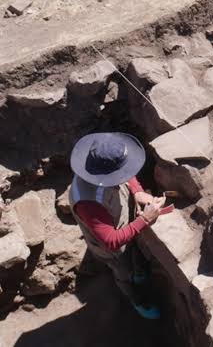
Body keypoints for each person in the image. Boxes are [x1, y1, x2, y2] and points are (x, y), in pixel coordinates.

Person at [69, 132, 165, 319]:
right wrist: (144, 220)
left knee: (136, 252)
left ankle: (139, 273)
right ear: (106, 174)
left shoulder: (100, 166)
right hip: (112, 249)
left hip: (125, 222)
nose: (125, 174)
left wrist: (137, 192)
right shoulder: (88, 203)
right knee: (123, 271)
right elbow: (111, 241)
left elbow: (126, 172)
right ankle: (136, 298)